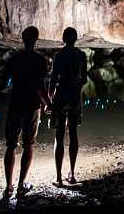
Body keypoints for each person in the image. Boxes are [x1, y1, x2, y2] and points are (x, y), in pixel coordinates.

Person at [1, 26, 50, 199]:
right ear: (36, 39)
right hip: (31, 106)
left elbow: (3, 83)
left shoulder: (14, 59)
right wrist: (48, 104)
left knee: (11, 145)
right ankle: (21, 185)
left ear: (22, 38)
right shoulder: (40, 61)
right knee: (28, 144)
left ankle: (8, 187)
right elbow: (40, 86)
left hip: (15, 104)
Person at [49, 26, 88, 185]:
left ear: (64, 39)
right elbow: (84, 78)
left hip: (61, 96)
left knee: (59, 135)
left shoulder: (59, 55)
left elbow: (53, 79)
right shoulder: (81, 55)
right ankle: (72, 174)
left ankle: (58, 178)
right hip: (74, 97)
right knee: (73, 133)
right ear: (75, 39)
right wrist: (77, 88)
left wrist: (50, 98)